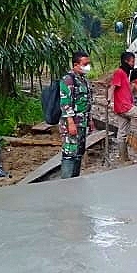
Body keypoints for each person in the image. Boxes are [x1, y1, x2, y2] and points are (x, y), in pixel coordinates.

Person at [108, 52, 137, 162]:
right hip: (125, 107)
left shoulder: (124, 74)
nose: (134, 64)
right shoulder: (119, 73)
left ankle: (124, 159)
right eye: (132, 61)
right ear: (126, 61)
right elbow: (112, 87)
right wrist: (109, 101)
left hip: (121, 107)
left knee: (122, 132)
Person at [59, 51, 93, 179]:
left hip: (82, 122)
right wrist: (70, 123)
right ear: (75, 65)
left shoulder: (84, 80)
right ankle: (66, 183)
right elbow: (65, 103)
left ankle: (75, 180)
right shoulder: (68, 79)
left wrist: (90, 120)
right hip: (71, 123)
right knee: (70, 153)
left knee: (79, 152)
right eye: (85, 64)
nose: (87, 67)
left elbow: (88, 101)